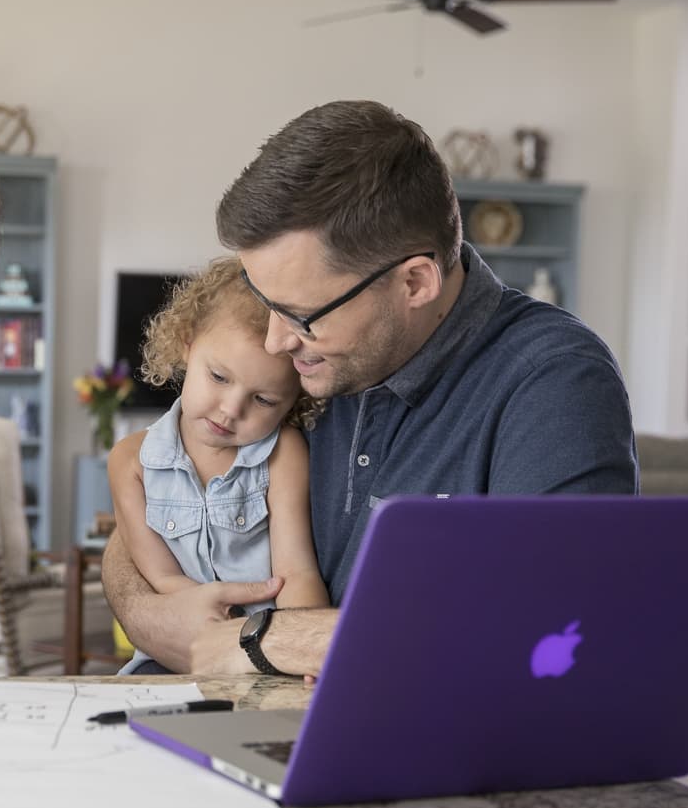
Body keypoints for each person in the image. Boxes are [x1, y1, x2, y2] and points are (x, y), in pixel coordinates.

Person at [104, 100, 637, 678]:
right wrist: (147, 613)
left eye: (302, 315)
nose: (277, 343)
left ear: (414, 282)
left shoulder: (553, 380)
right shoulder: (312, 367)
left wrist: (263, 638)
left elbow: (563, 632)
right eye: (265, 305)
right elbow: (159, 514)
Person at [108, 257, 328, 674]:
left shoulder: (285, 453)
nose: (230, 410)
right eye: (219, 377)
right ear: (187, 343)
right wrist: (213, 634)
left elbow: (296, 571)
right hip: (173, 651)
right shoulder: (130, 461)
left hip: (266, 650)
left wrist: (306, 653)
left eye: (263, 400)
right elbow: (162, 578)